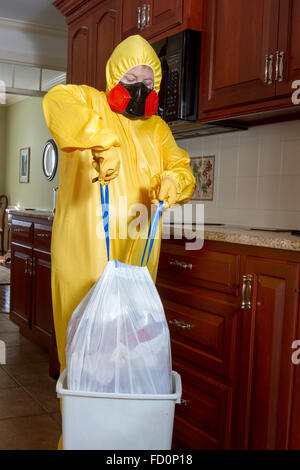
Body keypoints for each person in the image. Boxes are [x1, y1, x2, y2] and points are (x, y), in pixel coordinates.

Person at [43, 34, 195, 446]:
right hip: (83, 252)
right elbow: (55, 103)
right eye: (131, 75)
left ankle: (124, 444)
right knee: (82, 350)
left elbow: (184, 170)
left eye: (149, 78)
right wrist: (98, 139)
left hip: (136, 257)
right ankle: (79, 438)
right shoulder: (89, 102)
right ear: (113, 75)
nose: (140, 86)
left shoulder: (158, 131)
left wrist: (173, 182)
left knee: (129, 350)